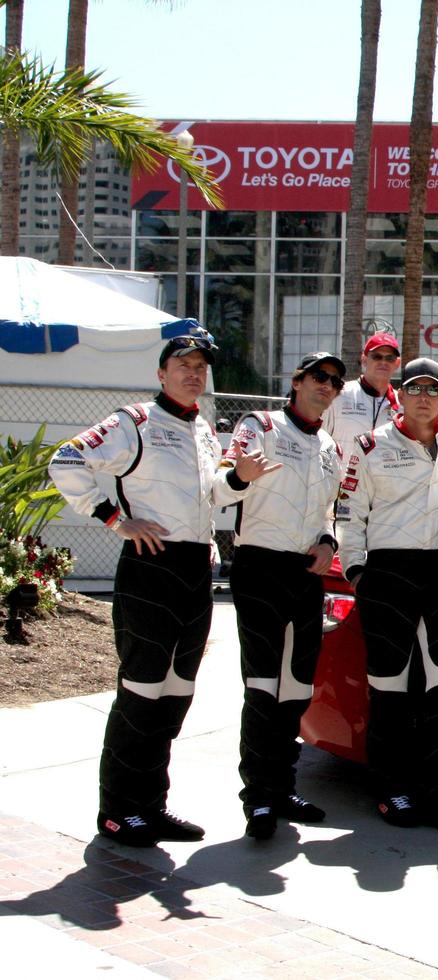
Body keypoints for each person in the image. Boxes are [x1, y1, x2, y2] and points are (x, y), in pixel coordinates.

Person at [49, 331, 251, 847]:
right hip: (149, 567)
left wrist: (240, 479)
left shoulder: (203, 429)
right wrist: (116, 520)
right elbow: (66, 462)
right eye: (182, 364)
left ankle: (151, 805)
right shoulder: (133, 420)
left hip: (194, 571)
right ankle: (118, 811)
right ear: (161, 373)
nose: (193, 373)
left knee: (176, 694)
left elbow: (213, 494)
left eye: (201, 366)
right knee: (141, 692)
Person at [337, 357, 438, 831]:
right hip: (387, 572)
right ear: (398, 395)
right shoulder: (370, 445)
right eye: (414, 388)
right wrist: (359, 573)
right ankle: (392, 789)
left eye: (433, 389)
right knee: (391, 688)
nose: (424, 396)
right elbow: (348, 512)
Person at [215, 352, 344, 840]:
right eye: (318, 377)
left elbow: (328, 512)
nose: (326, 386)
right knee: (263, 685)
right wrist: (238, 476)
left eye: (334, 381)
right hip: (260, 566)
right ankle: (258, 799)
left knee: (296, 687)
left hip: (305, 573)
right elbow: (223, 490)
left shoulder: (330, 445)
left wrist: (329, 541)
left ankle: (283, 786)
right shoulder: (260, 425)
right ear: (296, 381)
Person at [322, 331, 400, 448]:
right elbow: (318, 438)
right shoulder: (338, 394)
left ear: (397, 363)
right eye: (376, 357)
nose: (383, 362)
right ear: (364, 359)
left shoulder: (403, 403)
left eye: (390, 358)